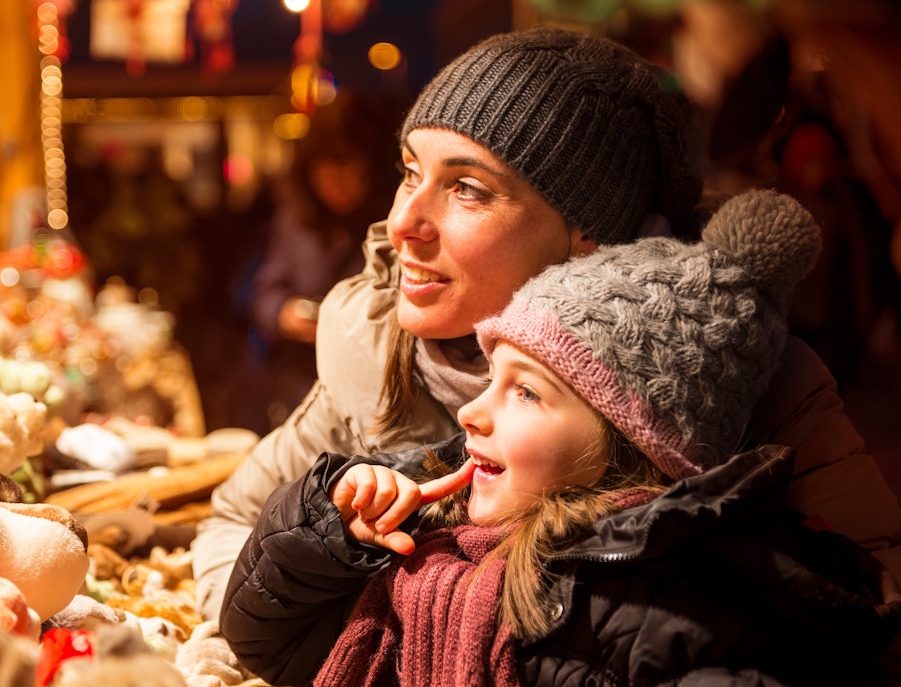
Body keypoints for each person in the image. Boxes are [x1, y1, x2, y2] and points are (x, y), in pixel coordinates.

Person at [191, 26, 901, 623]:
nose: (403, 222)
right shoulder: (377, 353)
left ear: (586, 236)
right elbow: (234, 523)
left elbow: (883, 610)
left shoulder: (737, 370)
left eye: (467, 188)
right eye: (411, 172)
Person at [221, 188, 901, 686]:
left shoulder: (677, 615)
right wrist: (323, 535)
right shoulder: (437, 549)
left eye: (525, 391)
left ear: (632, 442)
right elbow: (267, 642)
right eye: (493, 376)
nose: (472, 414)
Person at [230, 88, 402, 433]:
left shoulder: (396, 224)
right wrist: (284, 314)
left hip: (373, 389)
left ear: (371, 166)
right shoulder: (296, 219)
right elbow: (264, 290)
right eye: (322, 166)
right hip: (296, 385)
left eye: (346, 163)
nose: (333, 178)